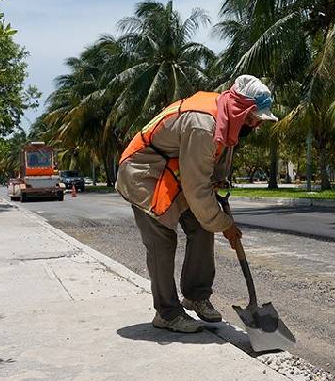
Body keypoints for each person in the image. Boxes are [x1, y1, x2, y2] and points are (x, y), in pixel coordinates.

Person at [117, 75, 278, 333]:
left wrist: (219, 185)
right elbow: (196, 190)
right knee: (162, 240)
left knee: (203, 227)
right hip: (145, 174)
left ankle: (195, 295)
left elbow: (210, 168)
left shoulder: (226, 119)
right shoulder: (203, 124)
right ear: (241, 109)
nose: (255, 125)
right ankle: (167, 313)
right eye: (253, 118)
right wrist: (225, 224)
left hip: (174, 175)